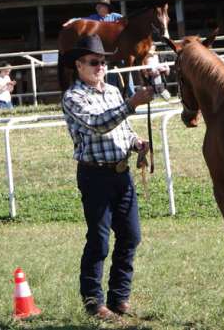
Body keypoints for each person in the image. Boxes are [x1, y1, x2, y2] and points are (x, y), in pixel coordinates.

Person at [61, 35, 154, 321]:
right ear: (79, 65)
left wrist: (136, 143)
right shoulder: (73, 97)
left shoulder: (113, 91)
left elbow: (122, 129)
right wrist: (132, 103)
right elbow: (99, 125)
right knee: (100, 241)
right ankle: (93, 302)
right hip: (94, 175)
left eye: (102, 61)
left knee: (131, 237)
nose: (100, 66)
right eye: (93, 62)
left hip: (121, 173)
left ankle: (119, 298)